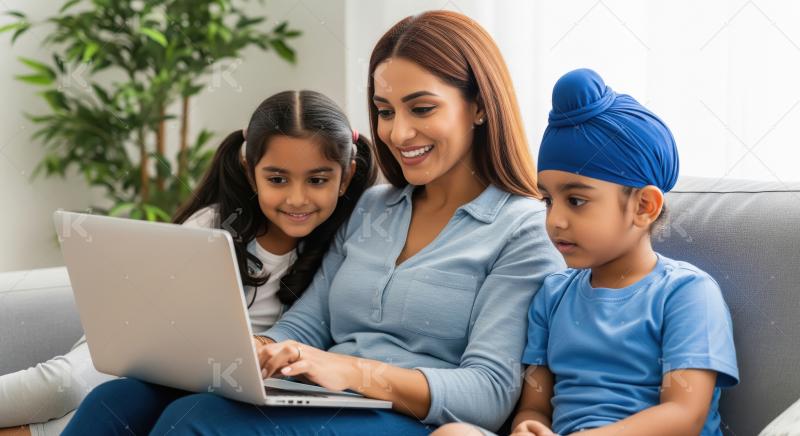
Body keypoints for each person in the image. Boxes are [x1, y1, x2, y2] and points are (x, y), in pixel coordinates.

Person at [62, 11, 564, 435]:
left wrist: (350, 371)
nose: (396, 131)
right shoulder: (373, 208)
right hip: (324, 393)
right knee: (119, 402)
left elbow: (491, 391)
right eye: (385, 111)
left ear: (478, 106)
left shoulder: (523, 229)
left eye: (422, 108)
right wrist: (256, 350)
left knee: (197, 421)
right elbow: (308, 322)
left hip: (406, 415)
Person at [0, 89, 375, 436]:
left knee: (94, 416)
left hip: (214, 378)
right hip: (144, 345)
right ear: (250, 172)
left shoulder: (343, 243)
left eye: (317, 180)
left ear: (345, 178)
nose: (297, 199)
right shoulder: (215, 225)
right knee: (64, 386)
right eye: (277, 179)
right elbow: (153, 315)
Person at [434, 68, 739, 436]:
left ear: (644, 206)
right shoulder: (553, 295)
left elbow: (683, 415)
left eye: (576, 200)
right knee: (455, 433)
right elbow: (534, 406)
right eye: (548, 199)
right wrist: (529, 426)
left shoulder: (687, 293)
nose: (555, 220)